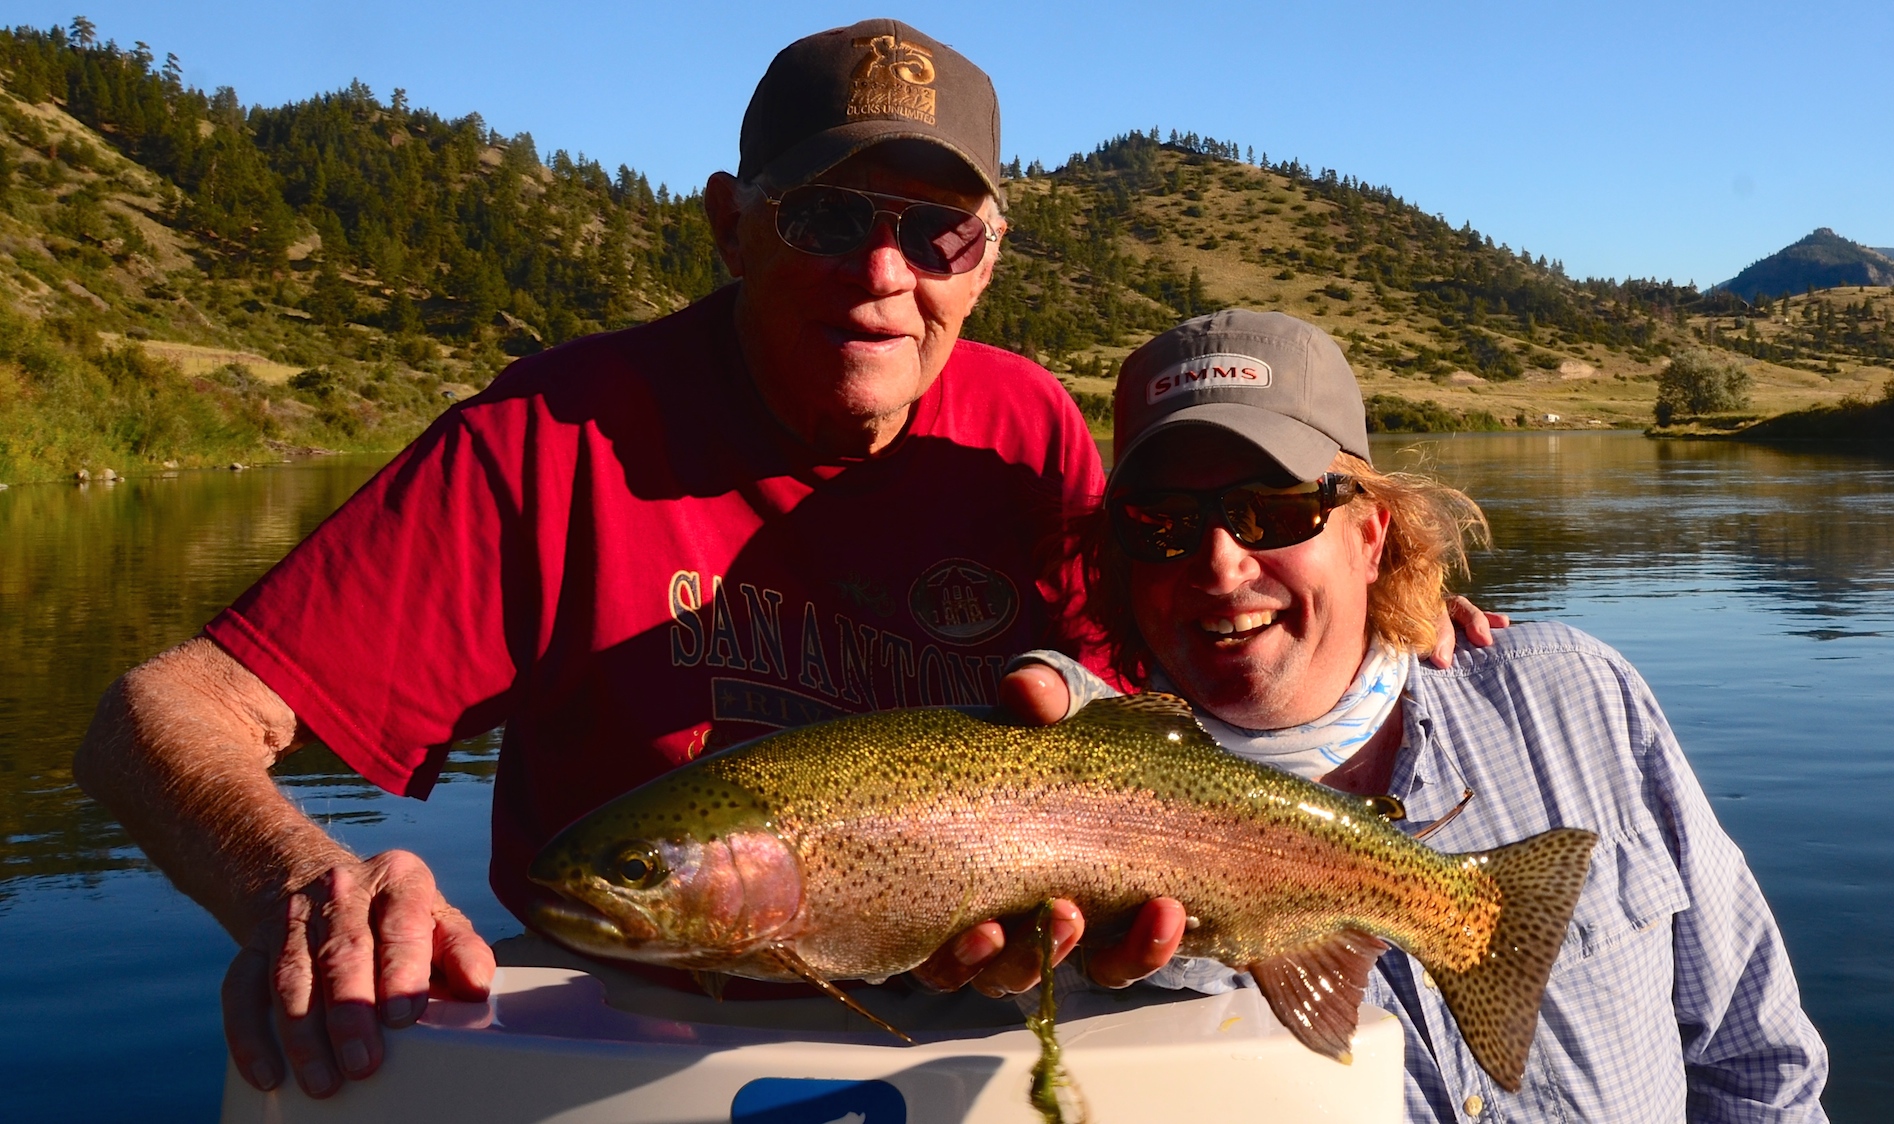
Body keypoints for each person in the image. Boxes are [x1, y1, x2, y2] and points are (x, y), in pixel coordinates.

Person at [70, 19, 1137, 1099]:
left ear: (986, 259)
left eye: (936, 235)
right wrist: (301, 880)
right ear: (731, 226)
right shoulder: (553, 437)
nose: (880, 273)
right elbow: (154, 715)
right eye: (823, 216)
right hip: (629, 1042)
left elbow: (1124, 731)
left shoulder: (1028, 429)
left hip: (958, 1039)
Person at [942, 310, 1830, 1122]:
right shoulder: (1061, 829)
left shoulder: (1575, 698)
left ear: (1371, 537)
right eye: (1161, 524)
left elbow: (1758, 1068)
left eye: (1274, 510)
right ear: (1120, 564)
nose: (1218, 565)